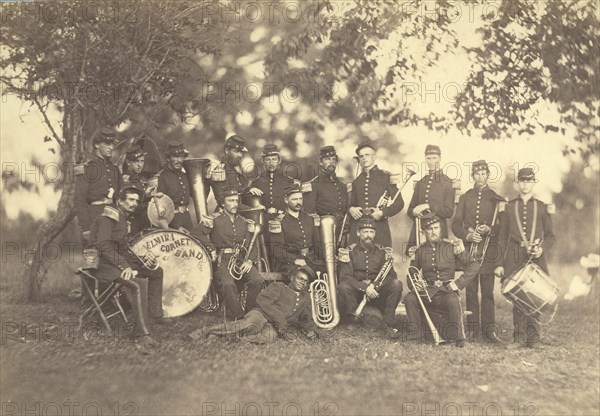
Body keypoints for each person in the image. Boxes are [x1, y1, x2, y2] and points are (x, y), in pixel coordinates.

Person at [88, 185, 164, 350]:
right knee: (138, 284)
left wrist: (139, 260)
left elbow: (121, 248)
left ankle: (155, 315)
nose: (134, 203)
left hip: (114, 261)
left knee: (156, 271)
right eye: (130, 199)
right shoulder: (110, 216)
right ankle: (142, 334)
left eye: (137, 200)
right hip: (102, 264)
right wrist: (124, 265)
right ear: (120, 200)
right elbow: (103, 245)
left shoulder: (122, 217)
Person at [495, 168, 555, 349]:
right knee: (518, 296)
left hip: (536, 257)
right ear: (517, 184)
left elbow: (551, 236)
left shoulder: (543, 207)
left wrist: (542, 249)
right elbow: (502, 237)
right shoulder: (509, 207)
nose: (525, 184)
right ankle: (518, 338)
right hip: (514, 256)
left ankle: (534, 338)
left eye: (529, 180)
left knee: (534, 295)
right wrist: (499, 263)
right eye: (522, 180)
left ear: (534, 183)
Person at [404, 213, 480, 347]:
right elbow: (411, 273)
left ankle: (460, 339)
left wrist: (458, 283)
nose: (434, 232)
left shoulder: (451, 247)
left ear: (440, 228)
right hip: (428, 292)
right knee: (410, 298)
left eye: (436, 228)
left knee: (453, 300)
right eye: (430, 229)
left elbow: (474, 265)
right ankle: (415, 336)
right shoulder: (419, 251)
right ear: (424, 231)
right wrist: (415, 285)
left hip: (447, 291)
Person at [451, 160, 504, 343]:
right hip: (470, 251)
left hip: (489, 252)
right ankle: (473, 330)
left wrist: (490, 230)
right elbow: (455, 225)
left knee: (488, 292)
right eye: (477, 174)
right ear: (472, 176)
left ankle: (489, 331)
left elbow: (503, 227)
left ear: (488, 175)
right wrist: (468, 235)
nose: (480, 177)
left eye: (483, 173)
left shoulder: (496, 198)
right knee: (471, 291)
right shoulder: (465, 198)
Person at [198, 266, 318, 343]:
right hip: (261, 315)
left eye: (306, 282)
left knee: (267, 338)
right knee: (247, 325)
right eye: (300, 279)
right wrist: (280, 319)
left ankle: (227, 338)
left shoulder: (305, 298)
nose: (303, 283)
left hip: (274, 325)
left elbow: (306, 318)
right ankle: (204, 332)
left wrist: (311, 330)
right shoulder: (279, 287)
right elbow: (262, 300)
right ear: (292, 278)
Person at [204, 186, 264, 321]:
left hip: (241, 260)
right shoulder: (214, 219)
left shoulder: (243, 221)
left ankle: (249, 312)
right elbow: (197, 234)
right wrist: (211, 248)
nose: (235, 204)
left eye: (236, 201)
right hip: (222, 260)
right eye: (230, 201)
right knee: (227, 283)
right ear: (223, 203)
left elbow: (251, 243)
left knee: (257, 280)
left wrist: (250, 261)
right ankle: (238, 316)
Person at [337, 218, 402, 338]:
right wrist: (365, 288)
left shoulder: (382, 252)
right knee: (343, 286)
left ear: (375, 234)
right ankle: (353, 320)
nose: (368, 235)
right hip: (357, 293)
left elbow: (391, 276)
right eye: (365, 231)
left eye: (371, 232)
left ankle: (388, 323)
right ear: (358, 233)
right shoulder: (349, 251)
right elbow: (345, 277)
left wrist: (374, 286)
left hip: (377, 293)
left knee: (397, 284)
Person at [243, 144, 297, 268]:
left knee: (282, 254)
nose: (271, 162)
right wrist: (249, 191)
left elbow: (294, 202)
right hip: (264, 223)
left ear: (279, 161)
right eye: (268, 159)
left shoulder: (288, 181)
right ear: (263, 161)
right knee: (263, 252)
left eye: (274, 159)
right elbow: (244, 201)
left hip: (284, 222)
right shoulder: (257, 182)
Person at [348, 141, 404, 247]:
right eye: (361, 156)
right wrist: (351, 209)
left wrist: (383, 213)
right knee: (356, 259)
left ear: (374, 157)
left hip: (380, 227)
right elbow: (351, 204)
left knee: (382, 259)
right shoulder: (356, 181)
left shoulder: (386, 177)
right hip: (358, 227)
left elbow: (399, 203)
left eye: (367, 155)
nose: (364, 158)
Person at [75, 127, 122, 243]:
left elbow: (122, 196)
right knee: (95, 258)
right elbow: (79, 200)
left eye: (112, 144)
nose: (111, 147)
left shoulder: (115, 169)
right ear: (96, 144)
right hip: (94, 219)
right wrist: (86, 227)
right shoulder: (87, 169)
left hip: (115, 219)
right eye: (107, 144)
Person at [406, 144, 455, 254]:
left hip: (438, 233)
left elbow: (449, 212)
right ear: (425, 159)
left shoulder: (447, 182)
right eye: (428, 158)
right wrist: (414, 212)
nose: (431, 161)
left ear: (440, 158)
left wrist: (429, 206)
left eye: (434, 158)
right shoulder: (421, 183)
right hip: (419, 232)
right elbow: (409, 211)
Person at [271, 184, 323, 276]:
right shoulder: (279, 222)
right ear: (286, 200)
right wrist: (295, 260)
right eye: (294, 199)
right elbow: (277, 250)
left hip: (309, 259)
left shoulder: (309, 218)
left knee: (328, 269)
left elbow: (317, 243)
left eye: (300, 199)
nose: (298, 202)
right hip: (289, 263)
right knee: (304, 272)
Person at [303, 146, 349, 231]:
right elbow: (309, 214)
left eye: (333, 159)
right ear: (321, 162)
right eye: (327, 159)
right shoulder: (313, 184)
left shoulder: (342, 185)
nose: (331, 162)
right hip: (322, 230)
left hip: (342, 230)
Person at [208, 134, 253, 208]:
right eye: (236, 151)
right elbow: (223, 202)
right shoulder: (220, 171)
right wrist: (250, 209)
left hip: (239, 211)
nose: (240, 155)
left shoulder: (237, 169)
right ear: (226, 151)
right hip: (227, 214)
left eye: (241, 152)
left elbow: (241, 192)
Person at [157, 141, 193, 232]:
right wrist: (176, 227)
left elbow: (197, 195)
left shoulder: (185, 176)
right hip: (171, 222)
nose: (179, 160)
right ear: (168, 158)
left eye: (181, 157)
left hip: (187, 218)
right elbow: (160, 208)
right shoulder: (162, 177)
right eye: (176, 156)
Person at [122, 145, 154, 235]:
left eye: (142, 161)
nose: (140, 165)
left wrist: (147, 195)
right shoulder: (125, 180)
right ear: (128, 162)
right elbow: (129, 206)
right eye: (136, 161)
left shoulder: (139, 178)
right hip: (132, 225)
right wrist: (146, 201)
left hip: (143, 223)